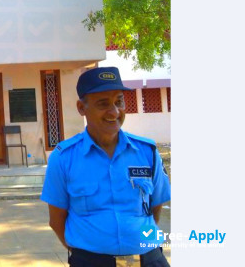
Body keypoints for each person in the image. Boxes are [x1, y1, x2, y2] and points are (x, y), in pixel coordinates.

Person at [41, 67, 171, 267]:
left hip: (149, 260)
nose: (114, 111)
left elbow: (155, 207)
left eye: (119, 101)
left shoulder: (147, 152)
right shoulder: (63, 158)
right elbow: (56, 220)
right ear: (81, 108)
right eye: (103, 104)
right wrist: (88, 255)